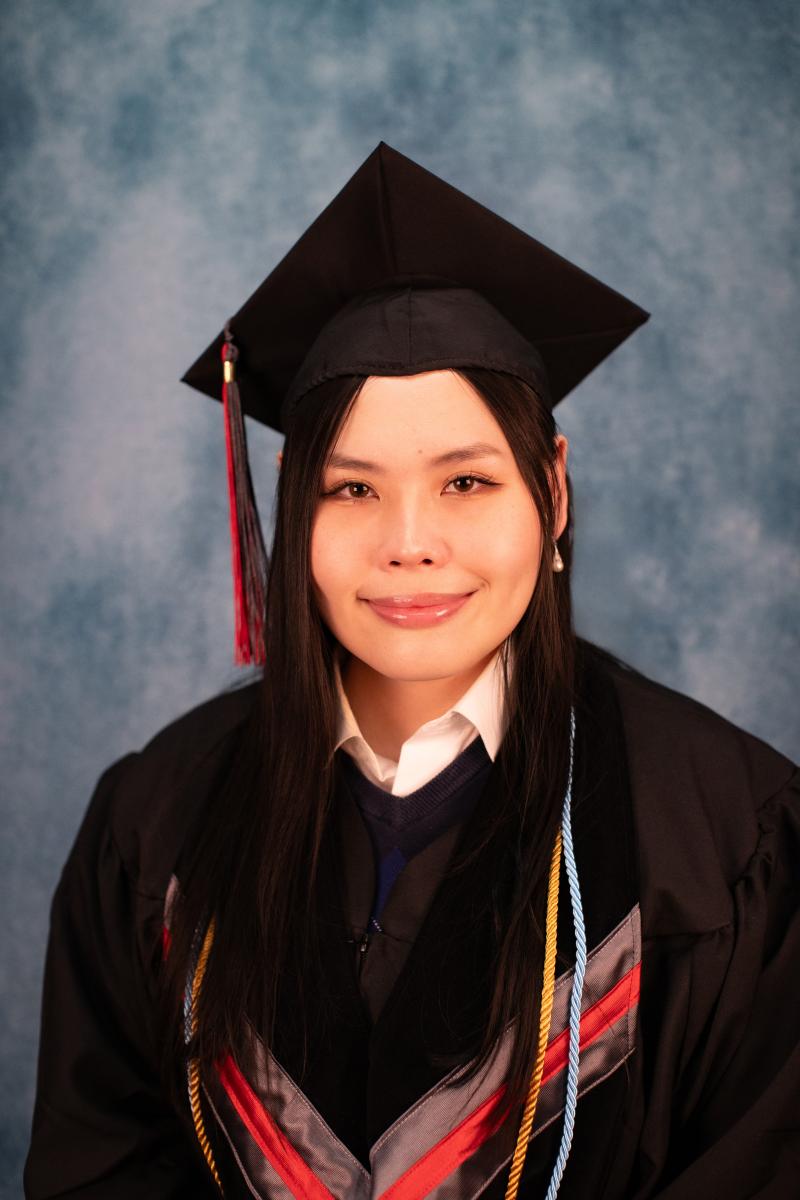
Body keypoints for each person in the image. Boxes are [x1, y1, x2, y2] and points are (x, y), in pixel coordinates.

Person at [24, 144, 799, 1200]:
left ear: (553, 492)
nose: (409, 544)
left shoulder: (725, 834)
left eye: (466, 482)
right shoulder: (158, 819)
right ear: (291, 501)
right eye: (351, 490)